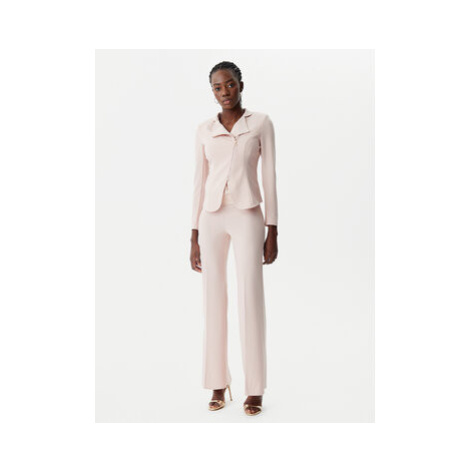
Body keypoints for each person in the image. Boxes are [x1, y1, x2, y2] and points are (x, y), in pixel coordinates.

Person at [189, 61, 279, 416]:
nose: (224, 92)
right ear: (212, 91)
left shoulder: (260, 123)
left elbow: (269, 175)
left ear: (240, 84)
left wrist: (273, 228)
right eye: (217, 87)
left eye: (229, 84)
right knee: (213, 299)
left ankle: (254, 388)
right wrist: (193, 234)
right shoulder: (204, 129)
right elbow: (198, 182)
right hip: (211, 218)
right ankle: (217, 382)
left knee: (250, 297)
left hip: (247, 215)